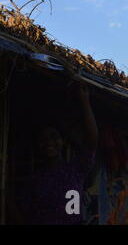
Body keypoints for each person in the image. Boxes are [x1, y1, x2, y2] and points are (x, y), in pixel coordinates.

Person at [8, 83, 99, 225]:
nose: (48, 142)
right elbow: (22, 218)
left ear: (62, 141)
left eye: (53, 136)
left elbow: (92, 142)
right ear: (37, 146)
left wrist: (85, 101)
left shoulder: (75, 169)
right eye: (42, 139)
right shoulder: (34, 180)